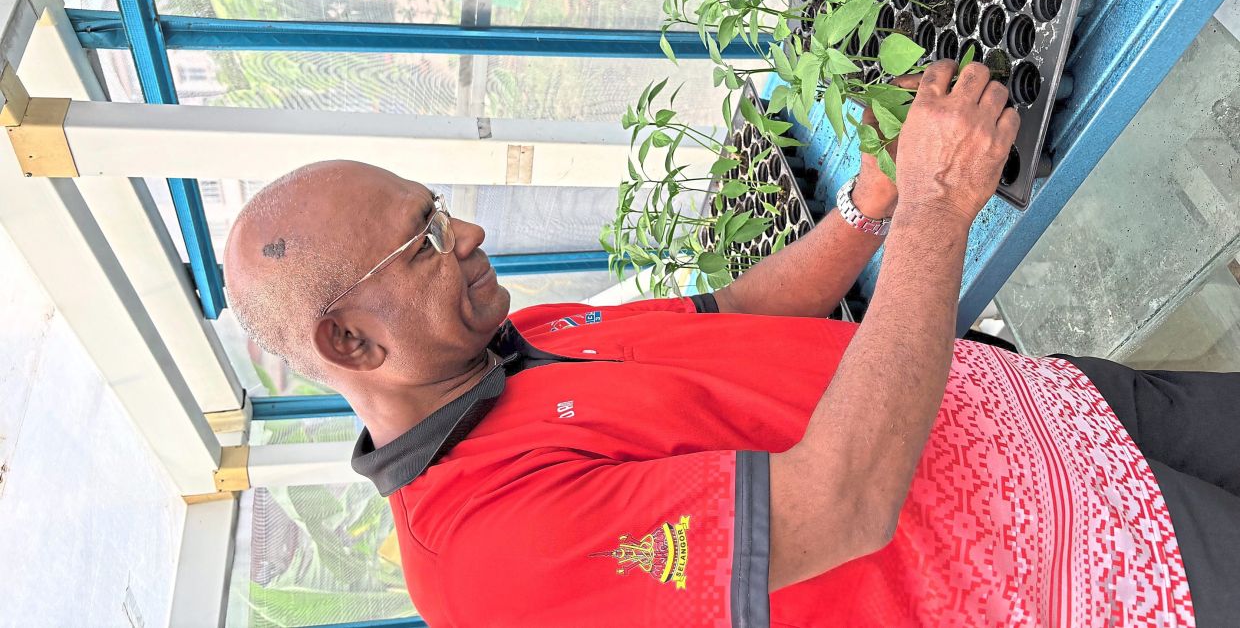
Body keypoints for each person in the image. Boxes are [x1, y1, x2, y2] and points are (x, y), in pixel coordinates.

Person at [224, 60, 1237, 627]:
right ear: (349, 340)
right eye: (424, 241)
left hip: (1067, 420)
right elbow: (837, 507)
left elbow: (736, 319)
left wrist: (871, 205)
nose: (469, 233)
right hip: (1091, 569)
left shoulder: (511, 341)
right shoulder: (488, 554)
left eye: (440, 210)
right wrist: (936, 209)